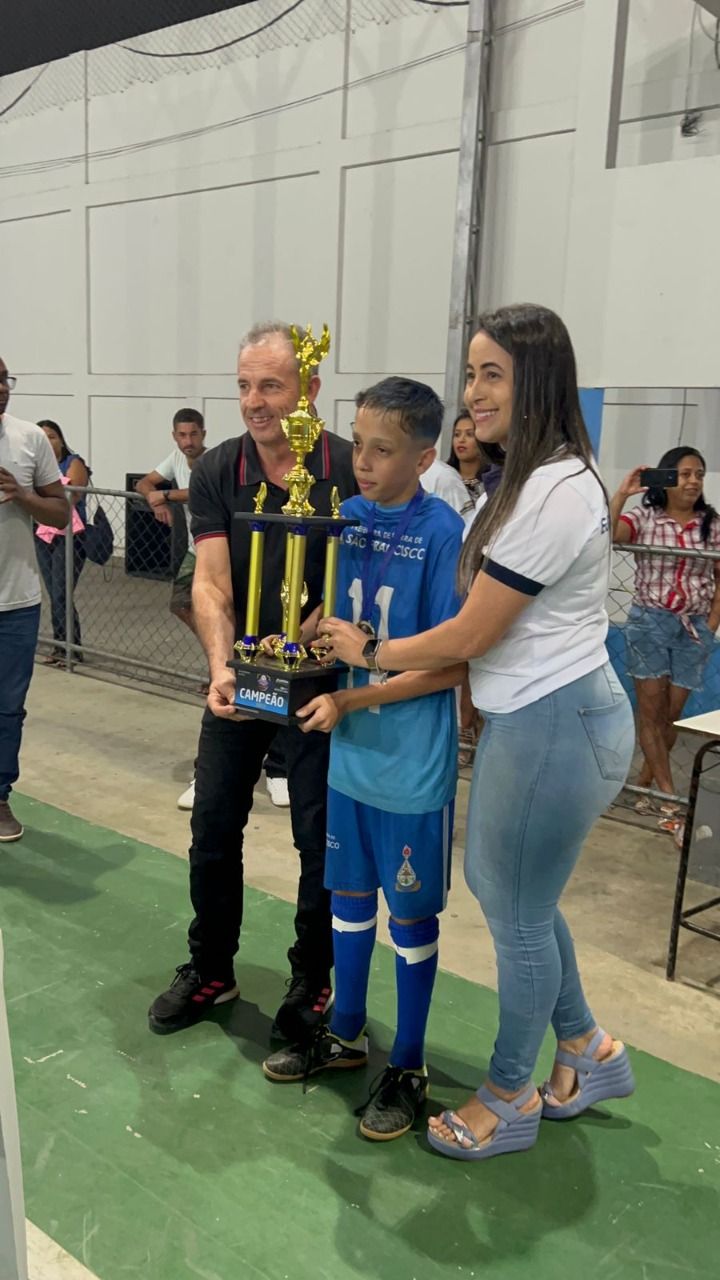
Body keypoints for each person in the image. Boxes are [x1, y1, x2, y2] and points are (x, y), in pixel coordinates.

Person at [320, 304, 636, 1161]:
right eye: (470, 374)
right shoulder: (525, 480)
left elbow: (470, 634)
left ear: (538, 380)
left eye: (492, 374)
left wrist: (368, 653)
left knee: (515, 912)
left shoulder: (555, 490)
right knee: (522, 897)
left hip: (555, 721)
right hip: (536, 717)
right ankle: (587, 1047)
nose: (474, 393)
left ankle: (508, 1096)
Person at [262, 377, 464, 1141]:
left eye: (384, 450)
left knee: (409, 917)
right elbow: (330, 616)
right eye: (360, 445)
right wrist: (297, 640)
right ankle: (346, 1031)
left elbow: (451, 664)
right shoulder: (344, 516)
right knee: (347, 899)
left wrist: (353, 697)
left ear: (425, 457)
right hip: (350, 758)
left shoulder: (443, 533)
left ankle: (408, 1065)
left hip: (409, 766)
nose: (365, 461)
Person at [148, 322, 355, 1041]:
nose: (254, 401)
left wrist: (315, 635)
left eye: (271, 385)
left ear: (310, 389)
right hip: (241, 680)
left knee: (318, 840)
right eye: (244, 386)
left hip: (323, 690)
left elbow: (362, 574)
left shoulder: (348, 468)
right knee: (211, 826)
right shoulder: (218, 469)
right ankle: (211, 967)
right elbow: (210, 581)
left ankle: (313, 981)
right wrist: (222, 669)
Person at [611, 448, 720, 823]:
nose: (693, 481)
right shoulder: (645, 517)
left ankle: (646, 784)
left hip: (694, 627)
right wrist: (622, 493)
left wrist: (711, 625)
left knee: (670, 716)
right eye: (685, 474)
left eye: (699, 474)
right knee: (651, 712)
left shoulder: (711, 524)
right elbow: (609, 534)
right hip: (650, 623)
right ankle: (670, 799)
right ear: (666, 478)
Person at [0, 359, 68, 842]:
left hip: (16, 604)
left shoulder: (29, 439)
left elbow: (60, 513)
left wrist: (23, 496)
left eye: (4, 380)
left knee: (8, 709)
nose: (1, 389)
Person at [136, 409, 207, 639]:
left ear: (203, 434)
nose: (188, 441)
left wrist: (165, 495)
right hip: (194, 549)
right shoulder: (176, 457)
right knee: (179, 603)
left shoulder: (213, 460)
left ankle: (224, 645)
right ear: (174, 436)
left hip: (217, 548)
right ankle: (214, 644)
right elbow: (144, 483)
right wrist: (156, 503)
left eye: (193, 434)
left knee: (220, 605)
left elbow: (200, 492)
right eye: (182, 435)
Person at [34, 420, 90, 665]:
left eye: (52, 436)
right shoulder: (37, 466)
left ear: (61, 439)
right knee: (53, 592)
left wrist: (39, 494)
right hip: (43, 535)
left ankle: (71, 649)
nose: (48, 442)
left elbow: (70, 496)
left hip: (70, 536)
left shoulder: (73, 463)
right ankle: (61, 646)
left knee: (61, 593)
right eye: (42, 437)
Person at [447, 408, 488, 502]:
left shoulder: (492, 480)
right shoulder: (445, 477)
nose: (461, 440)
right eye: (457, 434)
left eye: (469, 434)